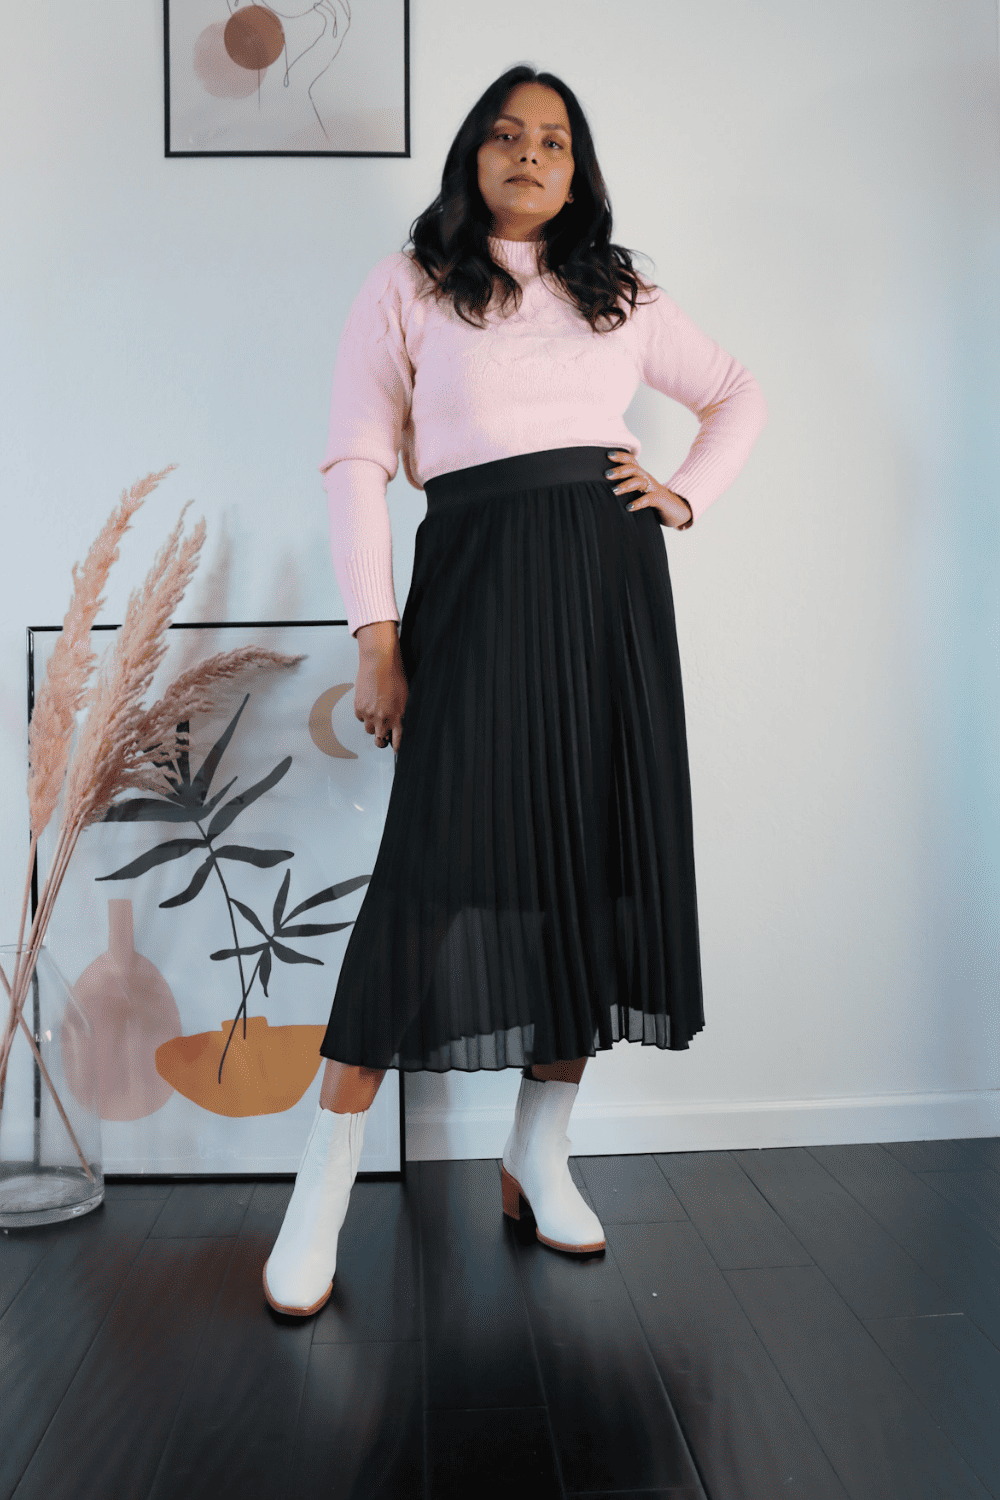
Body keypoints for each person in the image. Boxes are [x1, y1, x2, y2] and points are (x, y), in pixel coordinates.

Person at [263, 64, 768, 1316]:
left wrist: (685, 494)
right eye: (506, 134)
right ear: (472, 155)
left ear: (577, 167)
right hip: (476, 588)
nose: (530, 154)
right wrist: (376, 638)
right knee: (429, 875)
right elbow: (355, 458)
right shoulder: (410, 283)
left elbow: (736, 392)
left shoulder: (621, 291)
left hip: (607, 594)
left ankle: (539, 1150)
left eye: (553, 140)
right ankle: (322, 1181)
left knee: (591, 864)